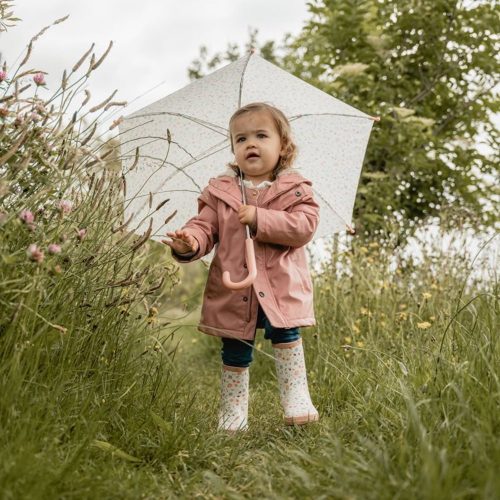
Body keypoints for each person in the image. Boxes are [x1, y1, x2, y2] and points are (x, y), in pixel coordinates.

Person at [162, 102, 320, 432]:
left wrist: (261, 217)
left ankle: (296, 397)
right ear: (233, 148)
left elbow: (304, 226)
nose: (251, 144)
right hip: (236, 286)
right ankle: (234, 412)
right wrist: (190, 242)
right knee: (235, 347)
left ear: (283, 146)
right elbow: (205, 226)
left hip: (279, 284)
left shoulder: (295, 189)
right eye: (241, 138)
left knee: (285, 334)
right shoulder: (221, 192)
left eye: (261, 135)